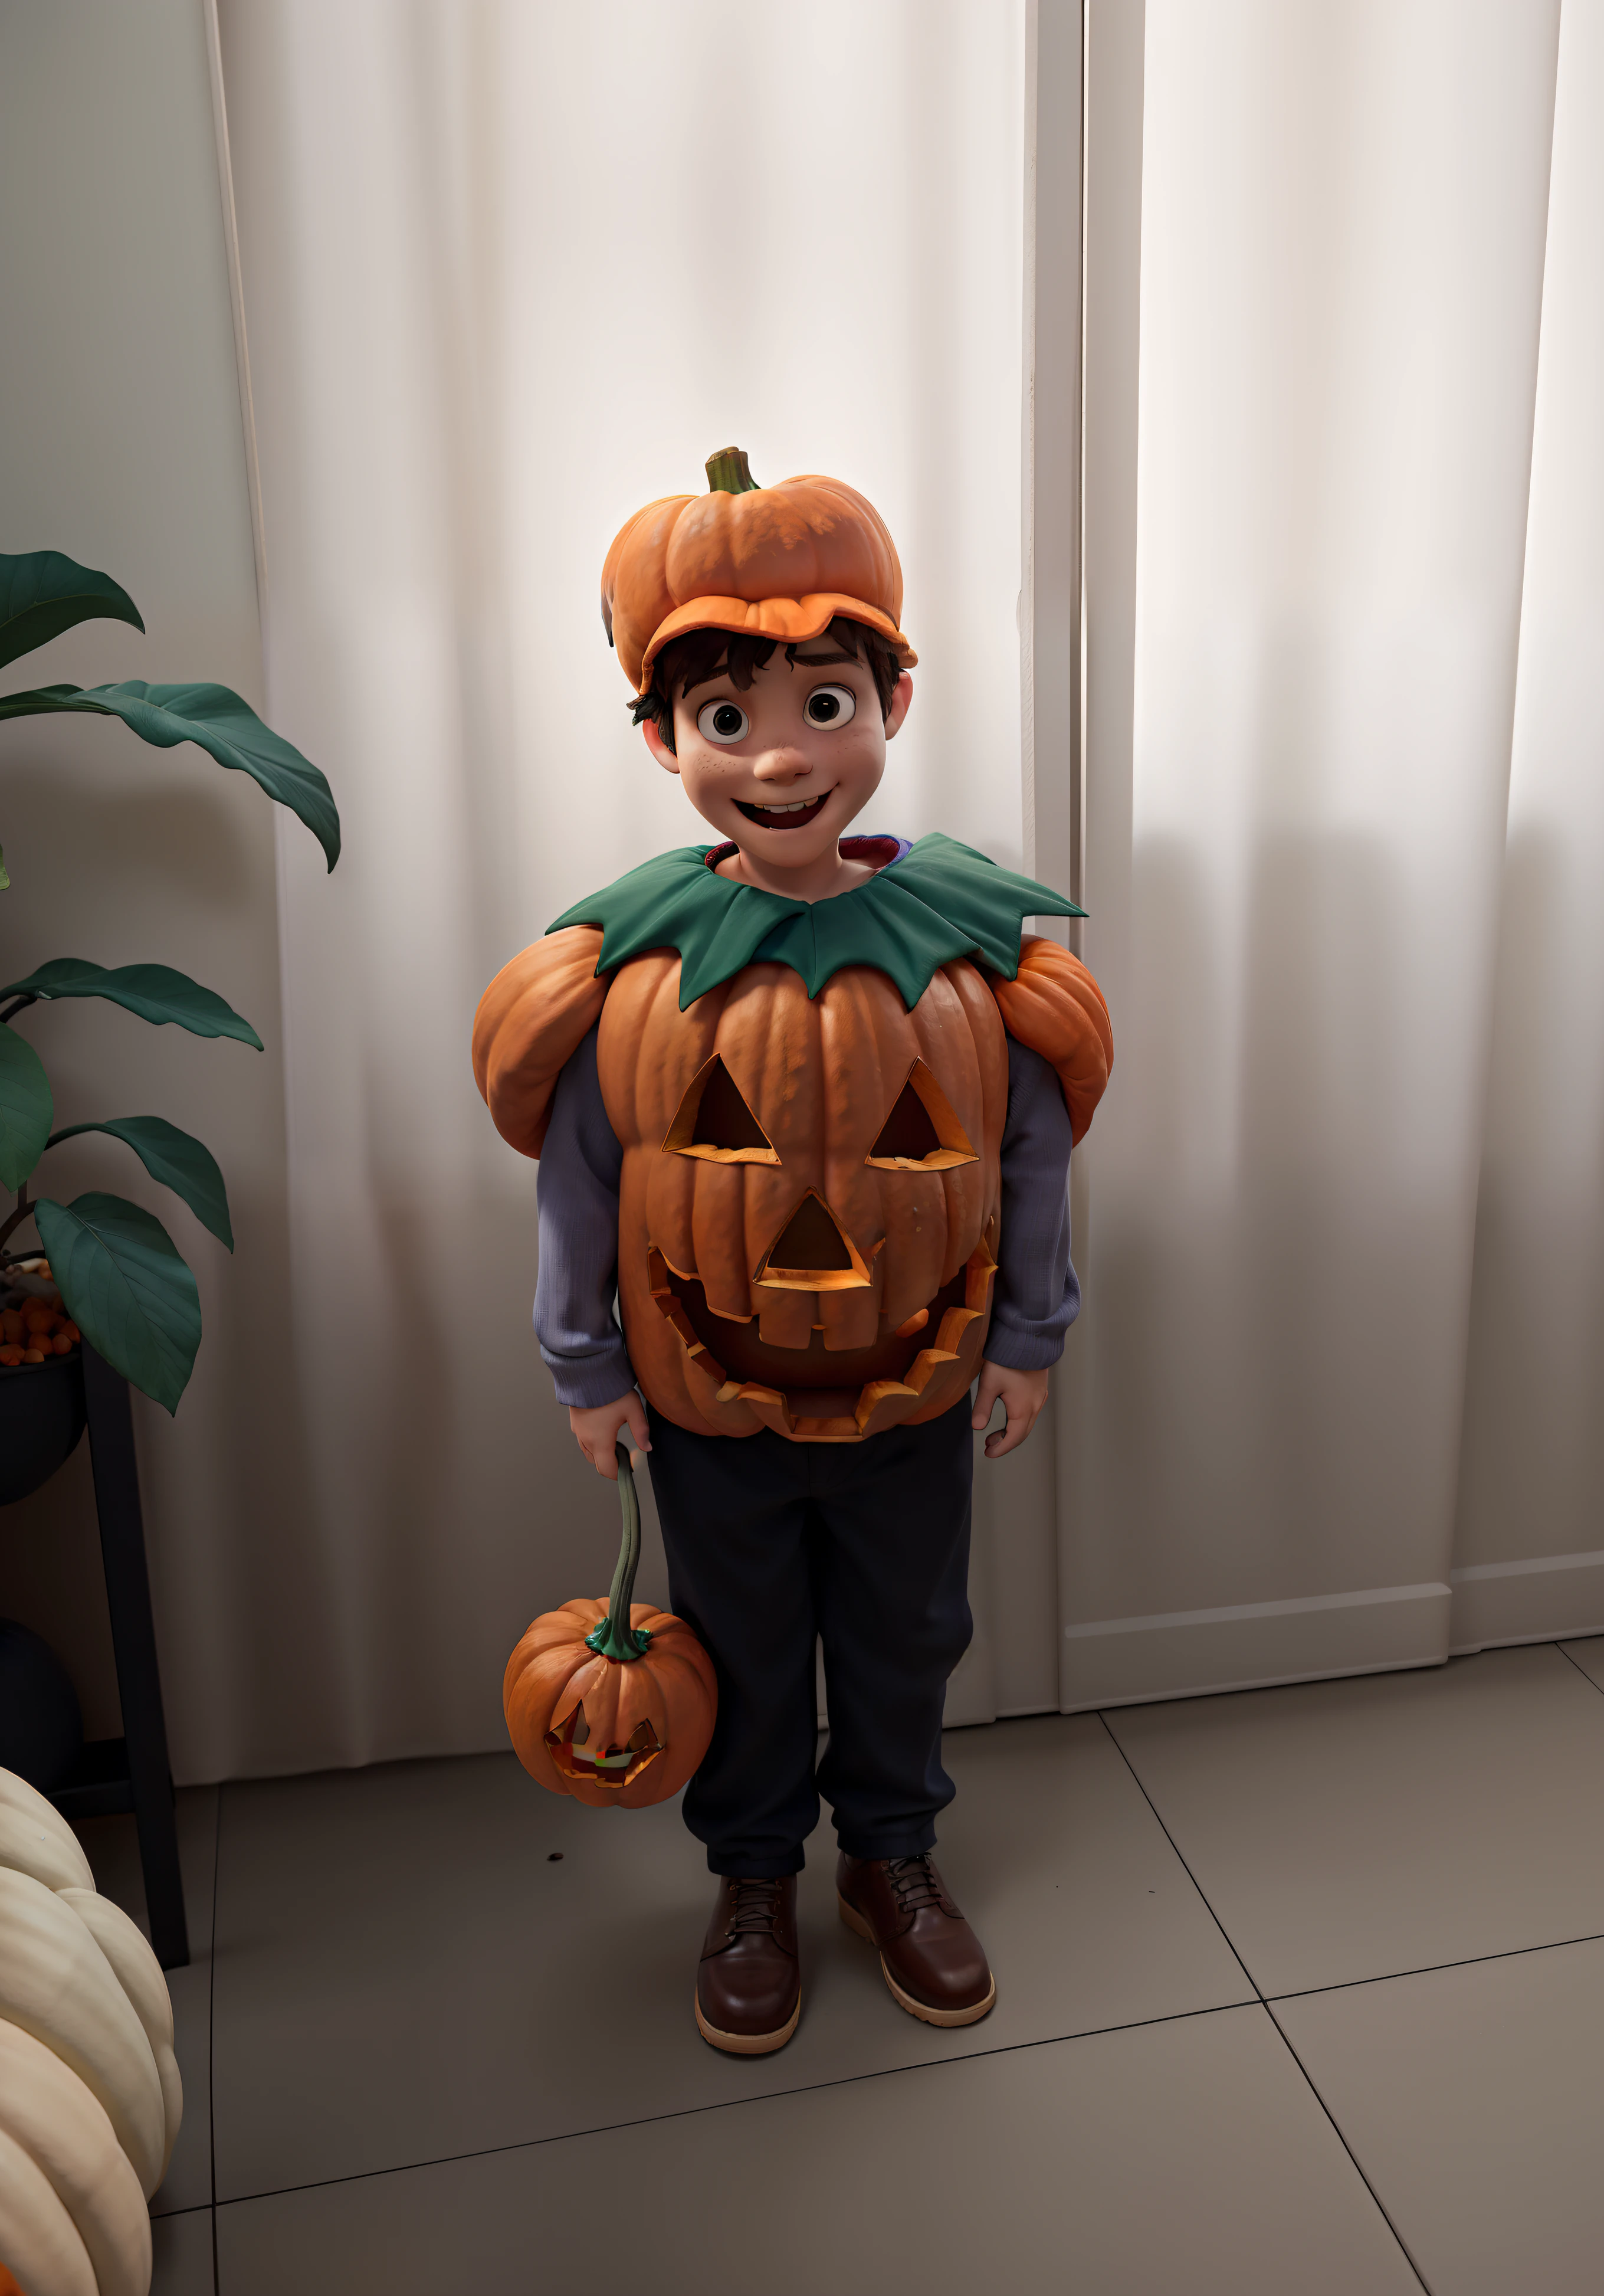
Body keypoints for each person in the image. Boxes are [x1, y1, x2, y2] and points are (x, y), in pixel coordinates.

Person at [473, 448, 1111, 2055]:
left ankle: (888, 1857)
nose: (779, 756)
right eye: (725, 719)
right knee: (747, 1643)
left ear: (891, 702)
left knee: (905, 1632)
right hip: (708, 1407)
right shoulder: (633, 971)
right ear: (663, 741)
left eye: (824, 707)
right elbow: (584, 1180)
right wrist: (587, 1363)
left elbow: (1023, 1164)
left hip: (912, 1394)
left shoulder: (967, 957)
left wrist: (1028, 1332)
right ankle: (753, 1875)